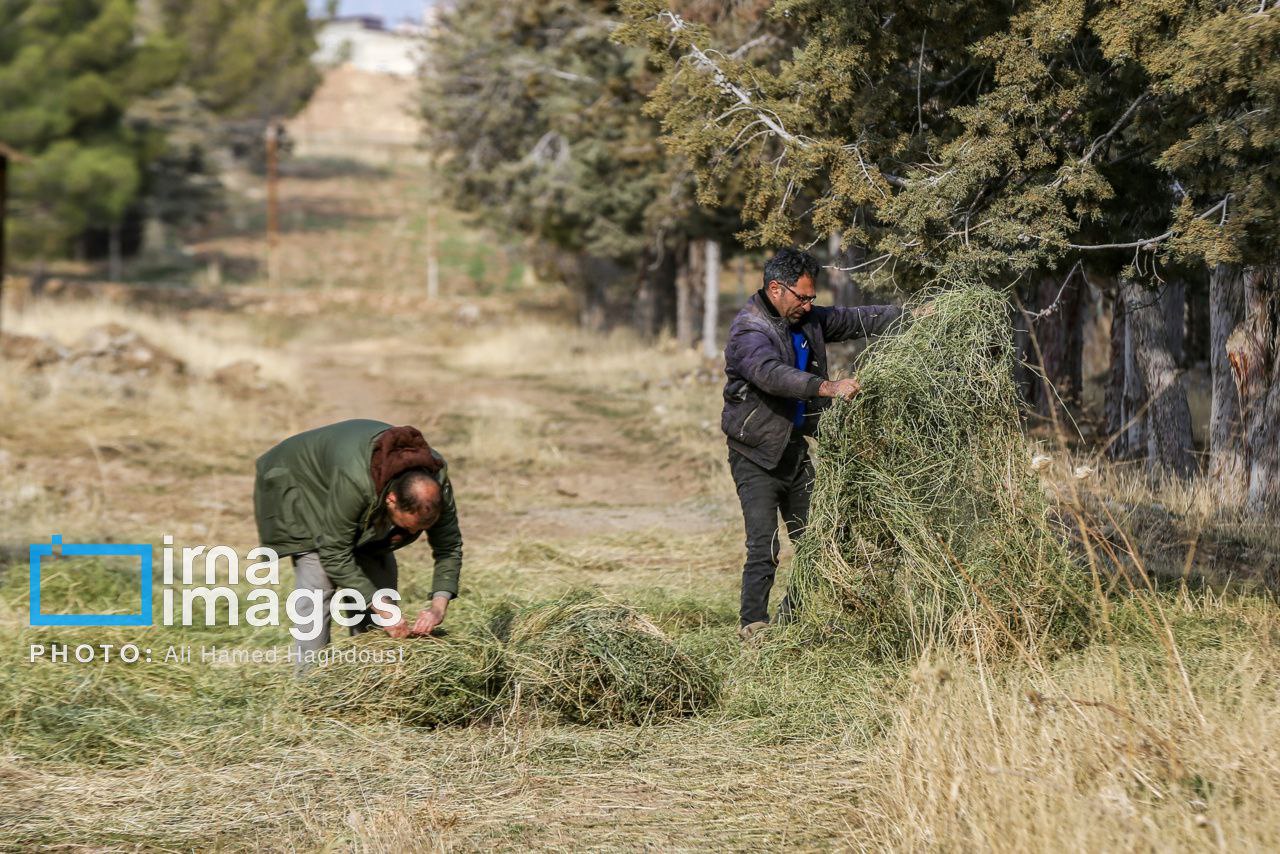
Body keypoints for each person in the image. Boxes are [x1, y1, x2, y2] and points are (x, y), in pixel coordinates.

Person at [721, 247, 917, 640]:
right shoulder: (749, 331)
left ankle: (792, 624)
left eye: (813, 298)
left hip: (794, 449)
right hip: (756, 456)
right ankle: (754, 627)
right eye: (803, 297)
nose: (810, 305)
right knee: (764, 548)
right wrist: (828, 387)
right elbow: (772, 374)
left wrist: (911, 317)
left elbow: (855, 318)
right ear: (777, 289)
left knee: (814, 544)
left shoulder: (807, 319)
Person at [252, 419, 463, 665]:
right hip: (301, 484)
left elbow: (449, 546)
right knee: (318, 582)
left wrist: (438, 606)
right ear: (392, 500)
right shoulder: (356, 481)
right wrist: (382, 608)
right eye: (408, 528)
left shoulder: (436, 483)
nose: (411, 534)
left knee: (380, 584)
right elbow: (333, 553)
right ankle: (310, 686)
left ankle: (369, 677)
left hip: (359, 491)